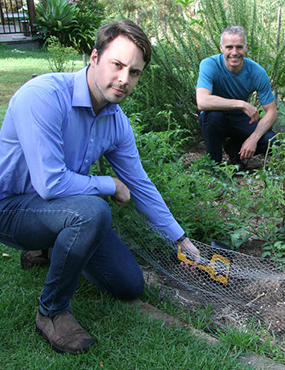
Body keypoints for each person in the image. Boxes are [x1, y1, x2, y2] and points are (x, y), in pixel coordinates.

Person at [0, 20, 200, 354]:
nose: (124, 79)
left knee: (127, 284)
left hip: (62, 209)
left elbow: (140, 183)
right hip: (11, 208)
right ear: (94, 58)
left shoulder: (115, 121)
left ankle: (49, 248)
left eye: (134, 72)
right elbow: (49, 184)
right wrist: (109, 184)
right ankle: (51, 312)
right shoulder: (43, 96)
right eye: (117, 65)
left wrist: (179, 239)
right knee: (94, 210)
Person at [196, 25, 278, 167]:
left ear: (246, 47)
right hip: (215, 116)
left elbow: (272, 112)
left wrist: (253, 138)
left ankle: (234, 150)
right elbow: (202, 101)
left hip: (239, 119)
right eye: (229, 47)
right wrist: (242, 104)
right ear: (221, 48)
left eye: (239, 47)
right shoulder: (209, 64)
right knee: (213, 117)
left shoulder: (257, 72)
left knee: (273, 142)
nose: (234, 52)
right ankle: (214, 165)